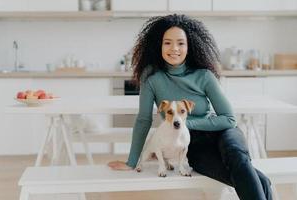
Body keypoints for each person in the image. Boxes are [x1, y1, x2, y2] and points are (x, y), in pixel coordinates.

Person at [108, 14, 272, 200]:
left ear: (189, 46)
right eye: (167, 43)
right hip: (192, 145)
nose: (174, 49)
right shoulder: (151, 76)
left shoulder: (204, 75)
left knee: (237, 157)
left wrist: (187, 123)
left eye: (181, 43)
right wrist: (132, 161)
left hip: (223, 132)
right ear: (158, 45)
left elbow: (229, 119)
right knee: (263, 182)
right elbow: (144, 120)